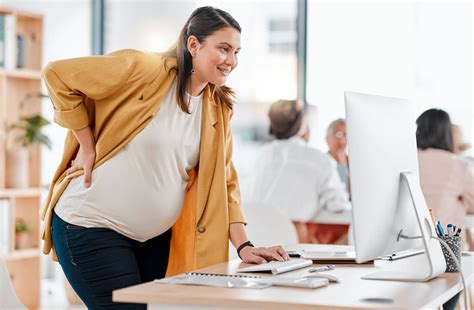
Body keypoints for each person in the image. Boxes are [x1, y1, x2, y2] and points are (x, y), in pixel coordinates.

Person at [41, 7, 288, 309]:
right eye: (223, 49)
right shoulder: (143, 69)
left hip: (154, 242)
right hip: (91, 225)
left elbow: (223, 182)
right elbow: (57, 75)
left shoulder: (217, 109)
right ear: (193, 45)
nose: (231, 61)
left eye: (236, 51)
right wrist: (87, 143)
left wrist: (244, 245)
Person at [246, 99, 350, 243]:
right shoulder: (318, 159)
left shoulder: (261, 155)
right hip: (290, 240)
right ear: (301, 126)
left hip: (253, 236)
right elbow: (338, 204)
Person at [416, 109, 474, 229]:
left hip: (408, 240)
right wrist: (460, 203)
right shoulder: (457, 164)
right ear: (447, 133)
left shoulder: (407, 158)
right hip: (445, 242)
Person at [326, 118, 350, 191]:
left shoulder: (351, 163)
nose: (342, 141)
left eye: (345, 135)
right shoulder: (321, 163)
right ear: (327, 139)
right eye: (338, 135)